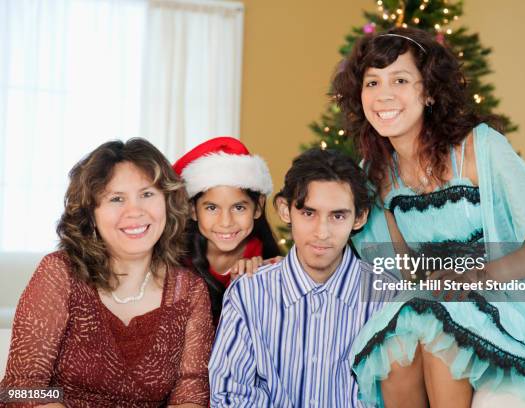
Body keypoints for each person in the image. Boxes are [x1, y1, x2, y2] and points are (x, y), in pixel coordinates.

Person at [332, 27, 525, 407]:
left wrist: (473, 276)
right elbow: (402, 269)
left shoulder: (479, 147)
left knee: (439, 332)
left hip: (507, 297)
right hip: (439, 297)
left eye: (400, 79)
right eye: (372, 82)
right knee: (396, 350)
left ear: (429, 91)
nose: (383, 94)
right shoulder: (377, 172)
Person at [0, 139, 214, 407]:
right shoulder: (60, 273)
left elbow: (192, 393)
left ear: (168, 203)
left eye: (147, 194)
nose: (135, 211)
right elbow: (19, 388)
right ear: (91, 213)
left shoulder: (190, 291)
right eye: (116, 198)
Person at [208, 148, 397, 407]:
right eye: (308, 213)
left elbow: (394, 397)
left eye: (338, 215)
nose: (322, 232)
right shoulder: (248, 294)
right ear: (285, 210)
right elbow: (229, 394)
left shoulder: (386, 297)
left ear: (359, 217)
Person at [173, 137, 281, 326]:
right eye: (212, 208)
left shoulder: (267, 266)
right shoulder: (176, 260)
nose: (225, 222)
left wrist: (262, 280)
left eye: (239, 208)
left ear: (258, 207)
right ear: (193, 210)